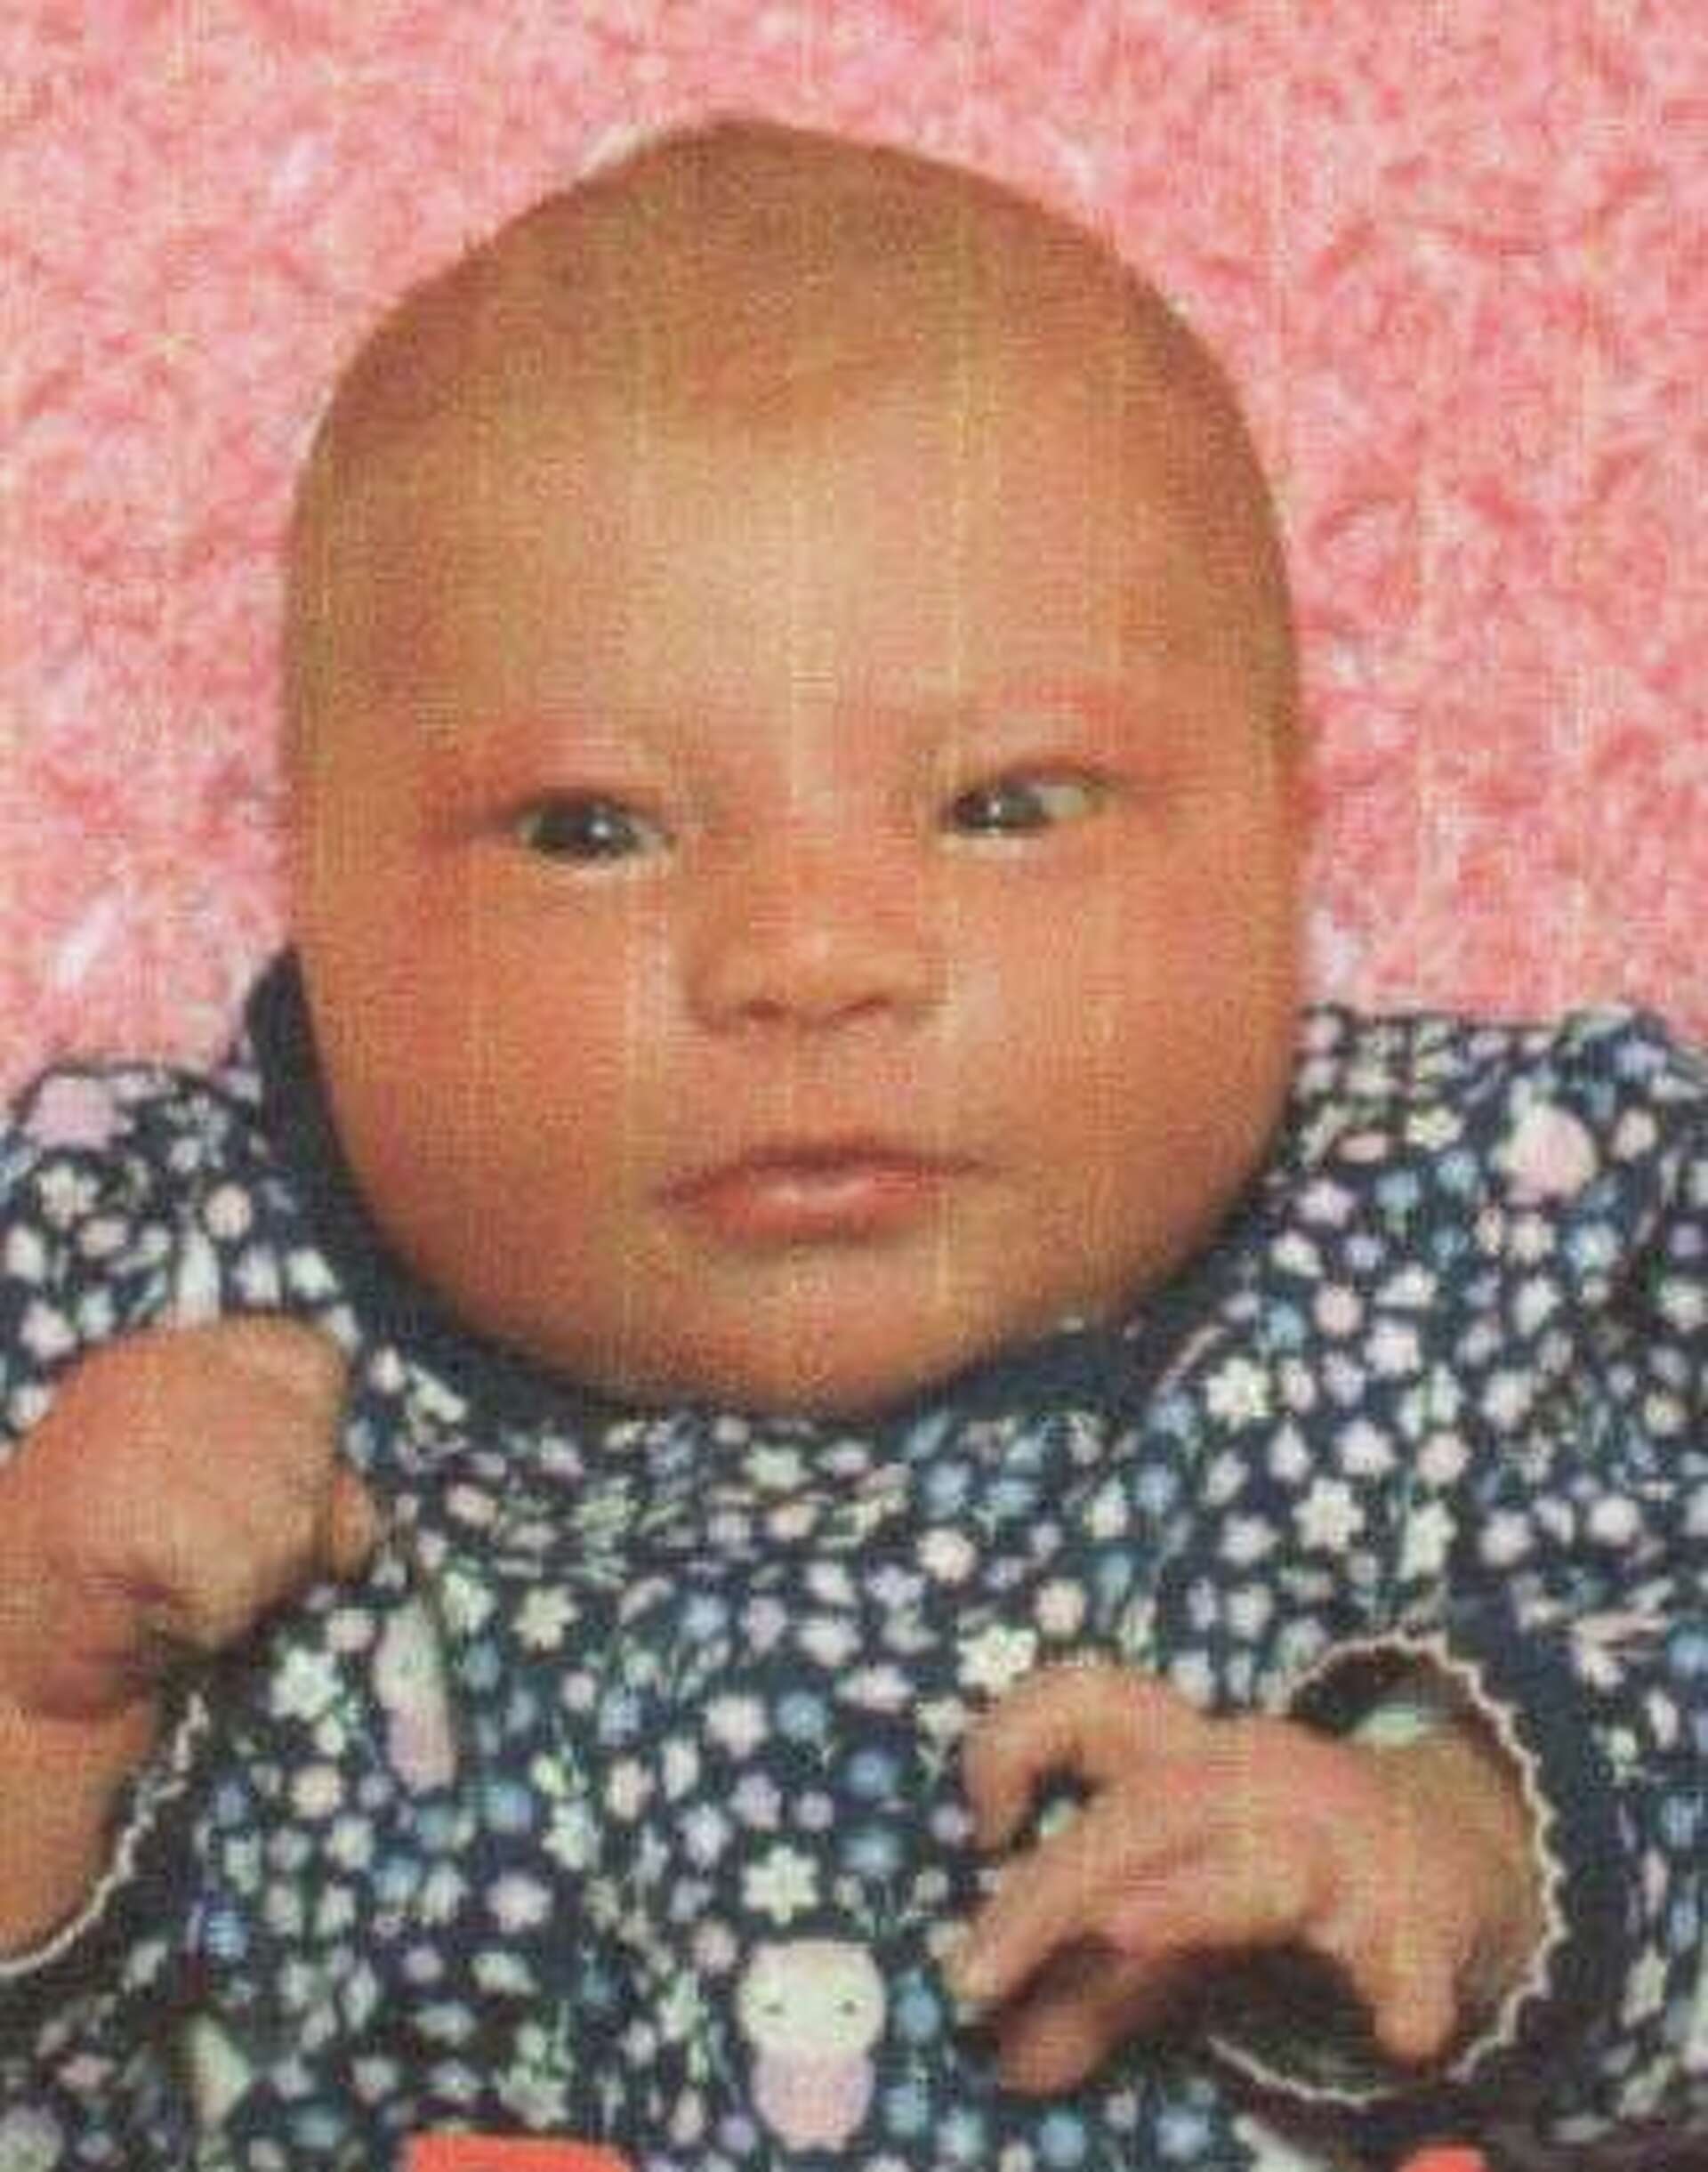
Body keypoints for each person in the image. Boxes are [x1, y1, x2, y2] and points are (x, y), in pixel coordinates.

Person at [0, 117, 1701, 2172]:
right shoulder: (122, 1316)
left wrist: (1453, 1842)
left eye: (1004, 805)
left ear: (1284, 825)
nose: (806, 960)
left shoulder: (1495, 1251)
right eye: (589, 830)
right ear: (312, 887)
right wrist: (41, 1697)